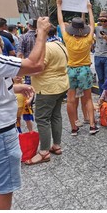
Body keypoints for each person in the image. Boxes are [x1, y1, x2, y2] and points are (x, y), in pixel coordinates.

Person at [0, 16, 50, 210]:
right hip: (2, 132)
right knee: (3, 188)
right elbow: (36, 65)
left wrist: (14, 89)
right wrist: (42, 33)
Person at [25, 25, 69, 165]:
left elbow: (39, 68)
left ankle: (43, 152)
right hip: (61, 85)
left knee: (42, 118)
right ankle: (56, 145)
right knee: (56, 115)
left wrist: (25, 72)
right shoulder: (59, 44)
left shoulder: (46, 47)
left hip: (47, 88)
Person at [56, 0, 99, 135]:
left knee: (70, 100)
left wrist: (59, 6)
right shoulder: (88, 39)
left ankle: (74, 128)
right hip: (85, 70)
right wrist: (90, 9)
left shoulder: (67, 38)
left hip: (71, 70)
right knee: (87, 99)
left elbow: (60, 22)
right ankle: (92, 126)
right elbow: (92, 25)